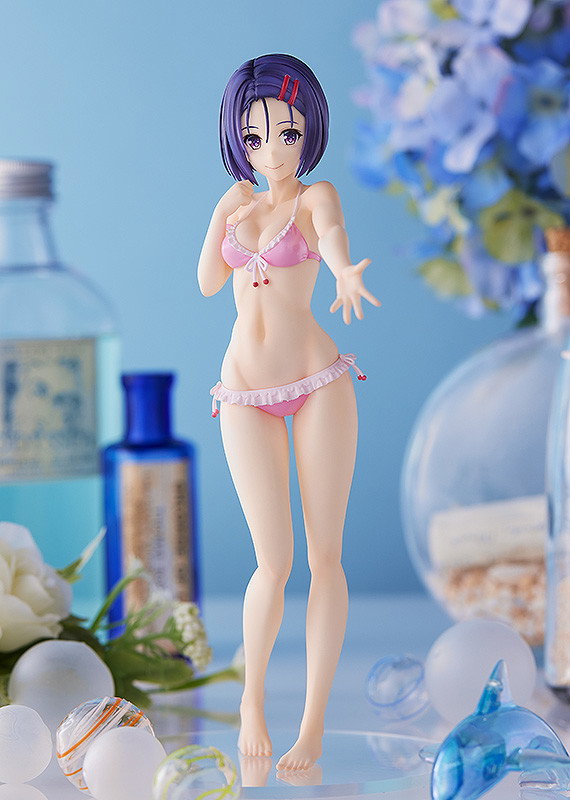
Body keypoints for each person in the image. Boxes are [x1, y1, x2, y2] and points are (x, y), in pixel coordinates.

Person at [198, 53, 380, 772]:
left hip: (318, 382)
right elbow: (208, 282)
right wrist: (227, 217)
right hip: (243, 391)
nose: (272, 151)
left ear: (310, 133)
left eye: (288, 133)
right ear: (237, 139)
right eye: (255, 136)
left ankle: (312, 725)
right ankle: (252, 701)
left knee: (324, 556)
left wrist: (342, 269)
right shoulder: (236, 199)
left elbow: (331, 235)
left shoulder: (314, 196)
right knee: (271, 562)